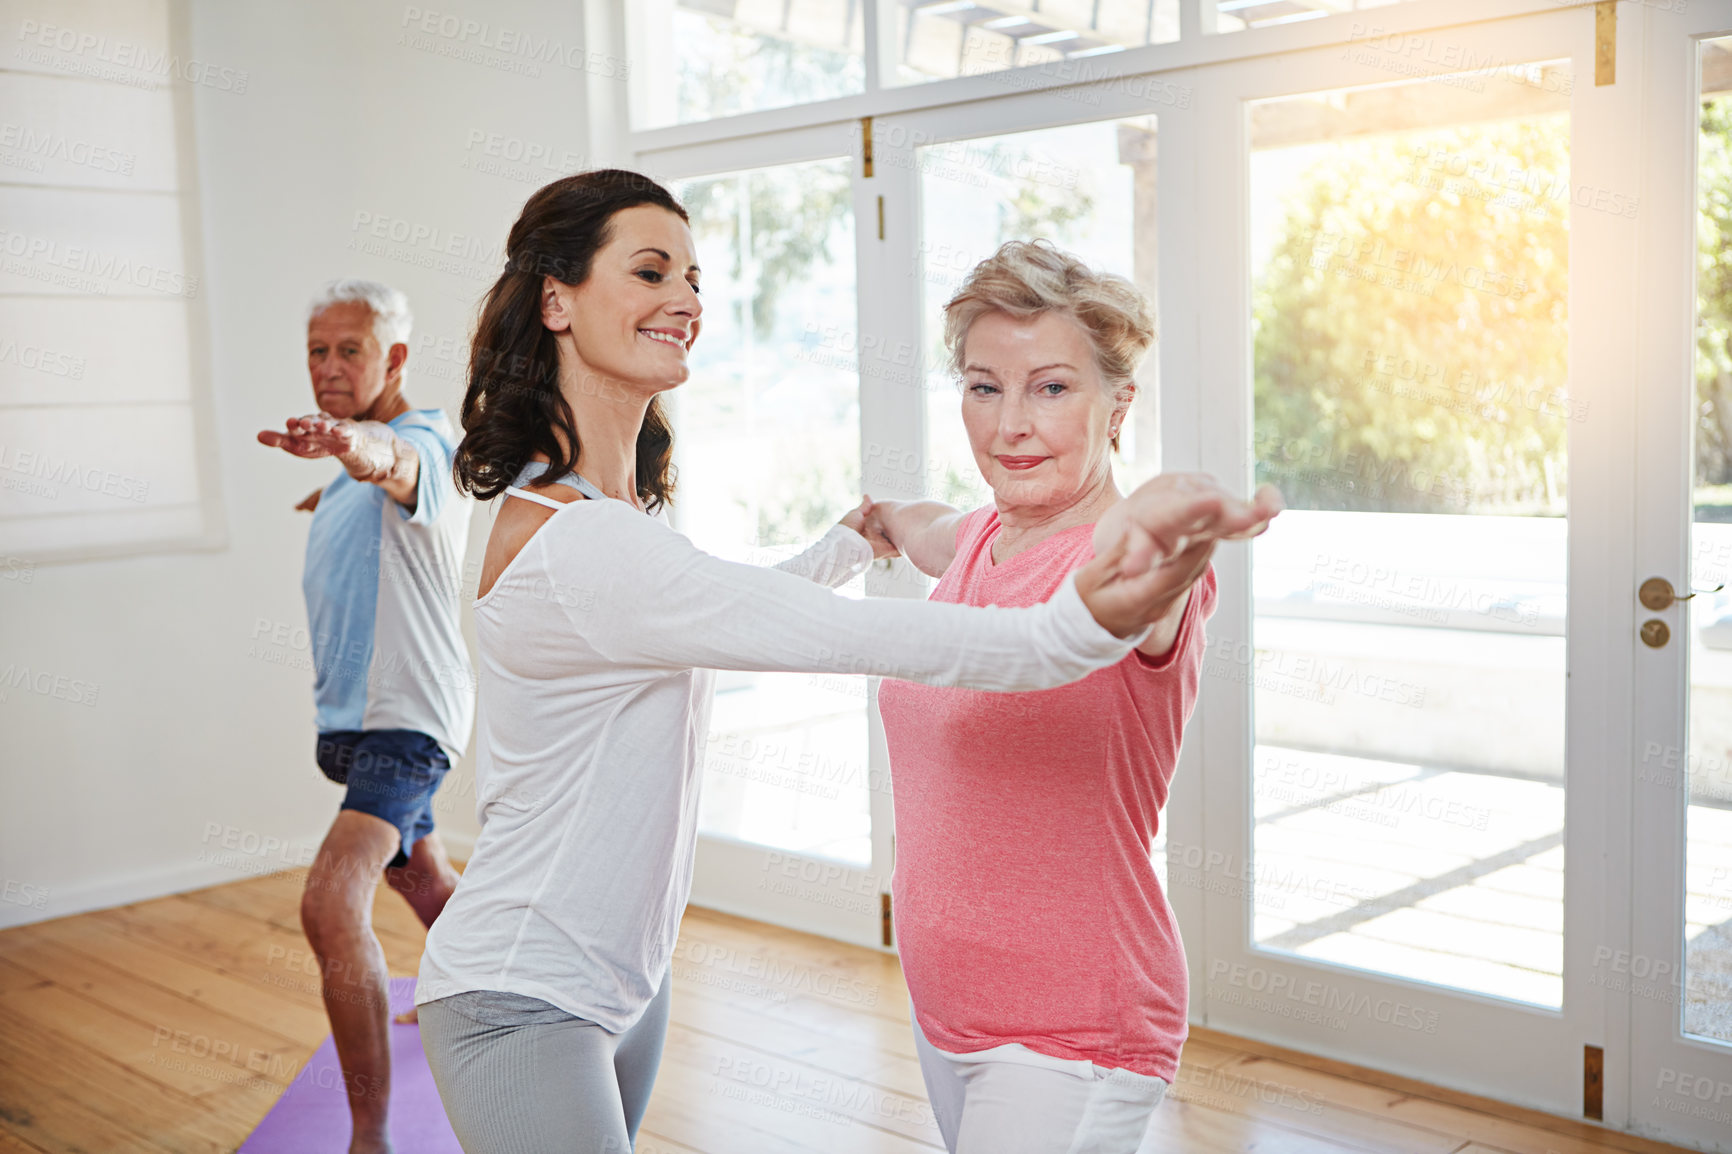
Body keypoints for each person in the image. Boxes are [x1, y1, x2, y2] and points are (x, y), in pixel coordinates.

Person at [409, 170, 1277, 1153]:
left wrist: (861, 537)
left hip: (636, 977)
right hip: (530, 980)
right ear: (555, 299)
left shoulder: (617, 522)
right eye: (650, 270)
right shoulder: (591, 542)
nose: (685, 298)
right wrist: (1048, 623)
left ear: (1119, 404)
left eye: (692, 274)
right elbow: (809, 623)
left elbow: (771, 587)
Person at [866, 240, 1268, 1153]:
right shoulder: (976, 542)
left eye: (1051, 388)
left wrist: (1164, 523)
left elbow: (1143, 566)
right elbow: (927, 526)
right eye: (982, 386)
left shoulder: (1123, 570)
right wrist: (879, 518)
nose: (1010, 424)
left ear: (1118, 405)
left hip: (1074, 1023)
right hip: (944, 1007)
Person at [256, 279, 474, 1154]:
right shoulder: (342, 476)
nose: (331, 366)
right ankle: (523, 999)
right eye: (319, 350)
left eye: (352, 350)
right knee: (422, 881)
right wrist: (335, 477)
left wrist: (355, 449)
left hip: (405, 720)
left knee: (329, 903)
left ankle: (370, 1134)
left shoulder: (417, 440)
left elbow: (393, 457)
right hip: (355, 722)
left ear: (394, 359)